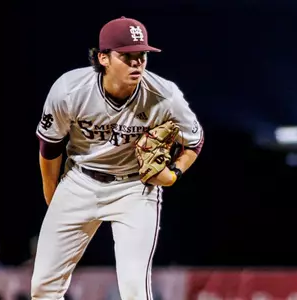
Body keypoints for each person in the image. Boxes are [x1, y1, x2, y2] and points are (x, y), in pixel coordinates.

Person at [32, 16, 204, 300]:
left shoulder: (164, 95)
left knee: (135, 290)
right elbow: (50, 146)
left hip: (134, 188)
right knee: (43, 288)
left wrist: (175, 173)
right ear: (103, 58)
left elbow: (195, 142)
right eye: (127, 56)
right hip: (80, 179)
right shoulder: (69, 90)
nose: (137, 63)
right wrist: (53, 196)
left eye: (142, 56)